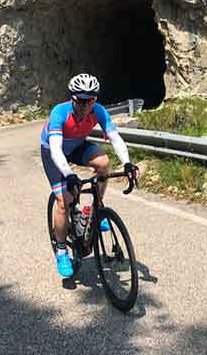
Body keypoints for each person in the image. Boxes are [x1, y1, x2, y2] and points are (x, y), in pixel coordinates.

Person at [40, 73, 139, 278]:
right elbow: (57, 150)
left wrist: (127, 163)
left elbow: (115, 138)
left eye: (91, 100)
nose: (86, 105)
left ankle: (96, 210)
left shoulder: (98, 111)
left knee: (103, 163)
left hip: (76, 146)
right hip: (53, 151)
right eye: (81, 100)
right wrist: (68, 173)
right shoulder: (60, 112)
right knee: (64, 201)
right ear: (72, 98)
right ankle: (61, 250)